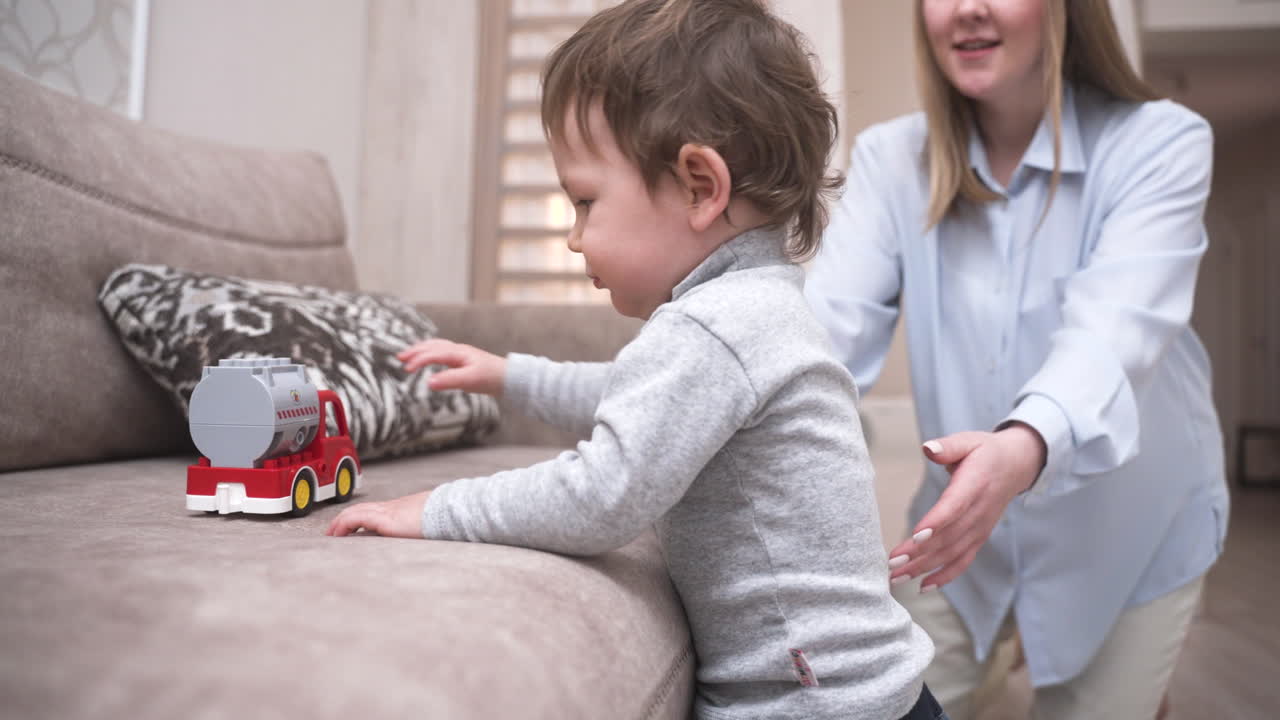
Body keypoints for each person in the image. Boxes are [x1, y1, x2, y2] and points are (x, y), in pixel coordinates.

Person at [327, 1, 946, 718]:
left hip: (812, 705)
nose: (574, 237)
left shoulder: (718, 325)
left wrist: (435, 509)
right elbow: (637, 394)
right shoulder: (758, 303)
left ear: (700, 187)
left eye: (586, 201)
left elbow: (601, 496)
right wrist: (511, 376)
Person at [804, 0, 1228, 718]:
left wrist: (1024, 446)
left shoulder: (1161, 142)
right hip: (961, 533)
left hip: (1129, 537)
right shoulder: (890, 161)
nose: (967, 9)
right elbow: (820, 342)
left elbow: (1112, 337)